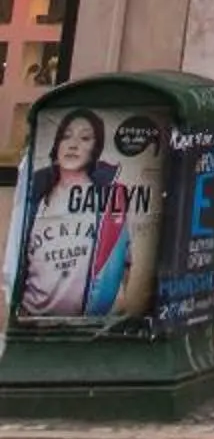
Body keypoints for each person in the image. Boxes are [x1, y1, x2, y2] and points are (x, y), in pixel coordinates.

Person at [15, 107, 135, 320]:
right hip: (33, 323)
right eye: (66, 136)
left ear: (95, 149)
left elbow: (125, 262)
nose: (73, 144)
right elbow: (17, 258)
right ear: (56, 145)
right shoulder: (36, 197)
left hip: (89, 330)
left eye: (85, 138)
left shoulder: (110, 199)